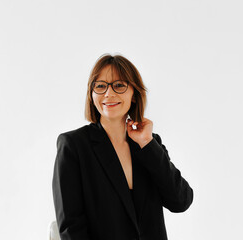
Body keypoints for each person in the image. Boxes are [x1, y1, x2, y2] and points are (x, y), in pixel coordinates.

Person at [52, 54, 194, 240]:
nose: (109, 94)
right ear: (92, 93)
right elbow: (71, 227)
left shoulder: (149, 144)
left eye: (119, 85)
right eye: (100, 86)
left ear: (134, 94)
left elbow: (181, 201)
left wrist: (147, 144)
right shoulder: (74, 145)